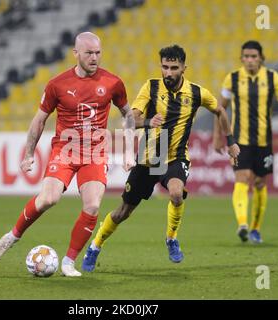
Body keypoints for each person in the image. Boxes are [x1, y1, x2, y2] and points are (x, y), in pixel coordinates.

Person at [81, 45, 240, 272]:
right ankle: (95, 246)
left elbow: (221, 112)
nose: (168, 72)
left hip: (175, 157)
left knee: (176, 194)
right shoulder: (151, 87)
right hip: (148, 159)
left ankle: (171, 238)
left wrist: (231, 141)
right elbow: (130, 120)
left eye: (174, 67)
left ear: (184, 68)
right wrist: (147, 122)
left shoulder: (196, 93)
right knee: (122, 212)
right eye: (165, 67)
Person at [0, 32, 136, 277]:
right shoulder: (57, 84)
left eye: (98, 53)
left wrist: (129, 150)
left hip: (95, 152)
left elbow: (128, 115)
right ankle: (13, 235)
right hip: (65, 150)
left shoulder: (113, 83)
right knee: (49, 199)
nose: (94, 58)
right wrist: (28, 154)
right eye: (89, 53)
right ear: (75, 53)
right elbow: (39, 121)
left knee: (92, 205)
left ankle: (69, 262)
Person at [213, 40, 278, 244]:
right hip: (239, 140)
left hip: (263, 140)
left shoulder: (272, 77)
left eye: (254, 56)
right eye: (246, 56)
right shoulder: (232, 79)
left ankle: (256, 229)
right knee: (242, 177)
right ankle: (242, 224)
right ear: (241, 59)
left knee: (259, 182)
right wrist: (218, 137)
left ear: (261, 58)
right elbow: (219, 109)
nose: (250, 60)